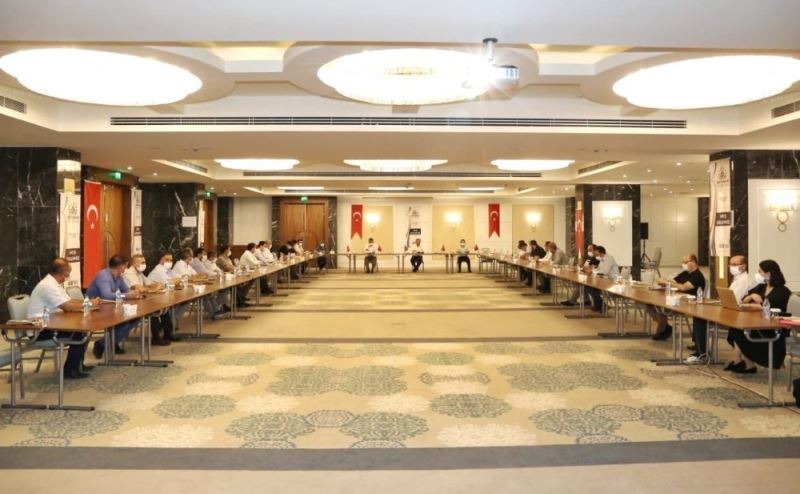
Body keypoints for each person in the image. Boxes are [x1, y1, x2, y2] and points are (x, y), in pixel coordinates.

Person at [27, 258, 101, 378]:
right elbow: (66, 306)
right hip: (40, 329)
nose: (68, 275)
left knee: (83, 330)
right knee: (79, 332)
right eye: (68, 272)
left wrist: (88, 303)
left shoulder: (54, 284)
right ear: (62, 271)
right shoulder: (47, 286)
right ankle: (70, 370)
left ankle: (77, 365)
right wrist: (89, 304)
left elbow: (69, 301)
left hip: (52, 323)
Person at [725, 260, 791, 374]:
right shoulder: (762, 287)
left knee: (740, 332)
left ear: (768, 273)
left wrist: (758, 304)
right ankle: (740, 361)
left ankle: (747, 364)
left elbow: (772, 309)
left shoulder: (782, 291)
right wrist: (752, 297)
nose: (758, 274)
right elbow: (745, 298)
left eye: (760, 271)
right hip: (758, 323)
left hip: (772, 328)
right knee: (735, 328)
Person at [88, 254, 143, 359]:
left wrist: (133, 293)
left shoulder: (119, 276)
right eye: (126, 265)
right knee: (124, 322)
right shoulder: (103, 276)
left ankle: (113, 341)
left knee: (135, 318)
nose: (126, 268)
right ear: (121, 266)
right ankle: (102, 344)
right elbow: (106, 295)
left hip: (111, 307)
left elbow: (126, 290)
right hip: (97, 309)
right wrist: (126, 295)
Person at [647, 254, 705, 345]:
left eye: (685, 262)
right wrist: (664, 282)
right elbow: (674, 282)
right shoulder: (685, 273)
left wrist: (667, 283)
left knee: (659, 308)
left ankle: (663, 329)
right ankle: (665, 326)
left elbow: (683, 287)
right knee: (650, 305)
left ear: (693, 262)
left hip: (688, 304)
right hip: (676, 300)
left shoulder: (697, 276)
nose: (683, 264)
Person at [123, 253, 176, 345]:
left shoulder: (139, 273)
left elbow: (149, 283)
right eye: (142, 262)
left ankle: (168, 334)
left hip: (141, 299)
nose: (144, 264)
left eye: (144, 262)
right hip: (131, 302)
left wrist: (157, 285)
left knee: (164, 307)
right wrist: (153, 289)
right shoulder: (129, 273)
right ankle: (156, 337)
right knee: (153, 309)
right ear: (134, 263)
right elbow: (139, 288)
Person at [173, 248, 225, 320]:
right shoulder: (179, 265)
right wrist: (194, 277)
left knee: (207, 294)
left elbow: (196, 274)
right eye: (191, 256)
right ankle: (213, 314)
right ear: (188, 257)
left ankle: (216, 311)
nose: (192, 258)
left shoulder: (187, 265)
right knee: (203, 296)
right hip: (180, 290)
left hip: (190, 287)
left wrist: (197, 276)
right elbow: (187, 278)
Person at [583, 245, 619, 312]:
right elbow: (599, 269)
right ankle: (600, 305)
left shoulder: (609, 259)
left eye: (597, 253)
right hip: (604, 279)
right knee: (588, 286)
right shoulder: (602, 259)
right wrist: (592, 270)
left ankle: (601, 306)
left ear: (601, 252)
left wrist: (592, 272)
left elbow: (605, 272)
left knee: (593, 287)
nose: (596, 255)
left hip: (612, 281)